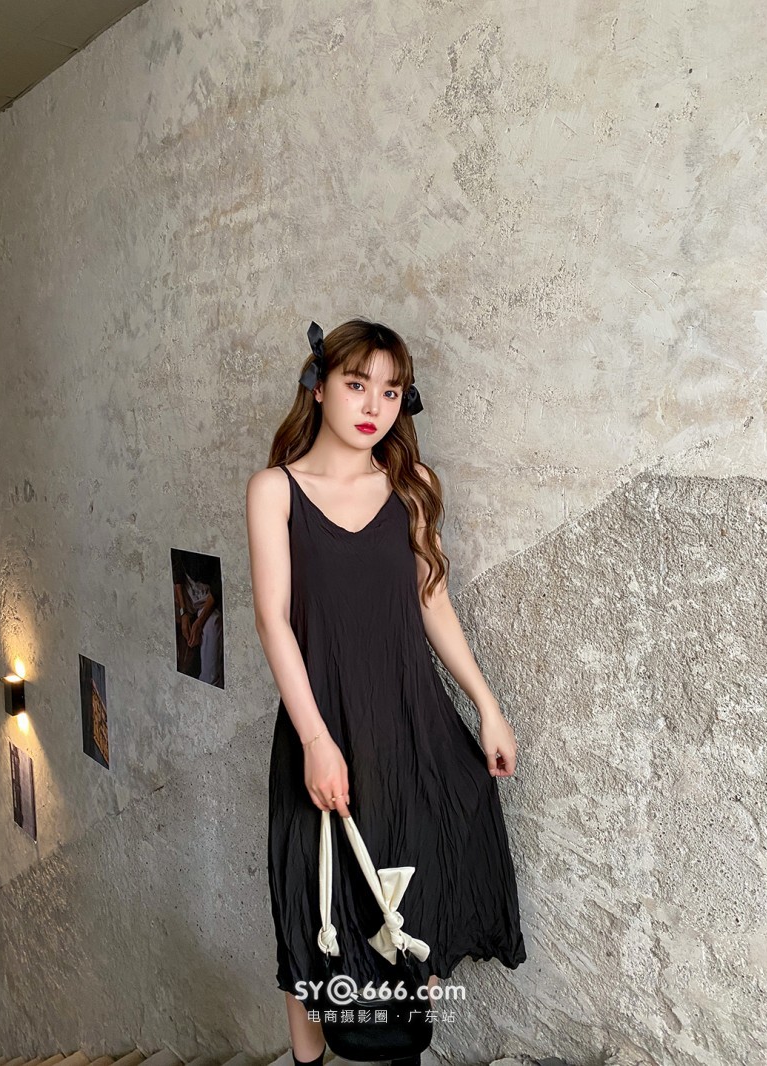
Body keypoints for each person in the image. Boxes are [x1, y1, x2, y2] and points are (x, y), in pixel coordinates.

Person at [245, 319, 526, 1066]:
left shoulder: (413, 486)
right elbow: (273, 619)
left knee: (412, 902)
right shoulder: (276, 491)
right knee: (311, 907)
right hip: (321, 728)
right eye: (356, 383)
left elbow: (433, 602)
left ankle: (404, 1051)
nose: (374, 405)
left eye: (392, 391)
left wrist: (487, 706)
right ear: (319, 386)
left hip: (409, 727)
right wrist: (315, 741)